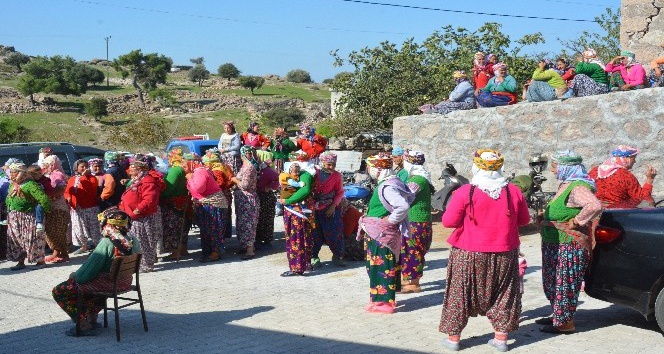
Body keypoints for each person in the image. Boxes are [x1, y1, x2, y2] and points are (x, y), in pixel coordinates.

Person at [439, 149, 530, 352]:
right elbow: (524, 220)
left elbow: (448, 221)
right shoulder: (513, 191)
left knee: (459, 294)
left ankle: (453, 340)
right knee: (504, 294)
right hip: (505, 252)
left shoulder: (465, 191)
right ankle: (501, 340)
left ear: (476, 167)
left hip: (468, 253)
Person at [537, 150, 602, 334]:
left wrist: (578, 221)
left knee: (564, 281)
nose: (552, 170)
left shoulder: (578, 187)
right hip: (555, 243)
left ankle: (565, 323)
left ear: (566, 167)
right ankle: (558, 315)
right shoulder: (566, 185)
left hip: (568, 244)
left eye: (555, 166)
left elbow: (595, 205)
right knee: (553, 281)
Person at [52, 207, 141, 336]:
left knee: (60, 290)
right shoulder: (132, 239)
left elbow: (84, 276)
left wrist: (74, 276)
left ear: (107, 224)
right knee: (92, 283)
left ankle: (83, 324)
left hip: (110, 283)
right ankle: (92, 317)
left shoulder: (107, 243)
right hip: (125, 281)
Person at [358, 162, 416, 314]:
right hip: (378, 232)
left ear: (378, 169)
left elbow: (402, 206)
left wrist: (390, 220)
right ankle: (378, 299)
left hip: (381, 233)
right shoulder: (390, 182)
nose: (369, 170)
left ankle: (384, 303)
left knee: (381, 266)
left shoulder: (388, 186)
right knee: (378, 265)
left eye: (370, 167)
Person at [118, 155, 162, 273]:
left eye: (133, 169)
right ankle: (142, 263)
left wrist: (137, 210)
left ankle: (147, 265)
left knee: (145, 242)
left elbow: (149, 200)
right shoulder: (138, 180)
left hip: (143, 217)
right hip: (136, 216)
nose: (130, 171)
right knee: (138, 241)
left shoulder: (148, 181)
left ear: (140, 170)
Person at [5, 162, 51, 270]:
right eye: (10, 172)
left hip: (28, 217)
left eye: (14, 172)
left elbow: (43, 199)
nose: (11, 174)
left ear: (21, 173)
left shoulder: (30, 184)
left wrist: (44, 213)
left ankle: (40, 261)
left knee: (32, 239)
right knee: (17, 240)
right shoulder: (13, 184)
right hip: (14, 217)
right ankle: (20, 261)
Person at [400, 150, 433, 293]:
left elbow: (405, 195)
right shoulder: (419, 178)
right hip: (418, 220)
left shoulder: (417, 180)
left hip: (415, 220)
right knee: (412, 250)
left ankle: (413, 283)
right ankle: (409, 279)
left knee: (412, 250)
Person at [187, 152, 228, 263]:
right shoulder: (196, 172)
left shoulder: (200, 172)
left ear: (192, 162)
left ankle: (215, 253)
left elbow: (199, 189)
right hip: (206, 204)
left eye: (185, 162)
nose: (183, 165)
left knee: (214, 229)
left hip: (213, 204)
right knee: (206, 230)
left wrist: (190, 179)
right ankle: (208, 252)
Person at [277, 162, 316, 276]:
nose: (296, 172)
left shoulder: (305, 175)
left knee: (296, 237)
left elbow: (305, 190)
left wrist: (287, 201)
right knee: (304, 237)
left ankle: (297, 267)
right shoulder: (303, 174)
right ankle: (305, 264)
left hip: (296, 211)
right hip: (299, 211)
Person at [588, 145, 657, 208]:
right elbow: (643, 198)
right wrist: (649, 179)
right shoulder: (625, 175)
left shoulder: (594, 171)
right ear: (626, 158)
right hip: (617, 214)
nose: (635, 161)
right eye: (634, 158)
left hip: (593, 211)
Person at [310, 152, 346, 268]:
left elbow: (340, 192)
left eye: (333, 165)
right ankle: (313, 256)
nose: (331, 167)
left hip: (330, 208)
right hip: (314, 208)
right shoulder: (315, 173)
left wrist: (333, 206)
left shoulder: (337, 176)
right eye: (329, 164)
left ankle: (337, 256)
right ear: (323, 162)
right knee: (315, 233)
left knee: (335, 232)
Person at [65, 159, 102, 254]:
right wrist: (68, 197)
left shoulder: (92, 178)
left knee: (94, 228)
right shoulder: (72, 179)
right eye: (82, 166)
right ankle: (84, 246)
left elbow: (90, 189)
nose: (84, 168)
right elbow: (67, 191)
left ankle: (98, 246)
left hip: (90, 207)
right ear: (76, 168)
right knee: (79, 229)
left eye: (86, 166)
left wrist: (83, 176)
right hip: (77, 208)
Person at [160, 148, 189, 261]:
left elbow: (169, 188)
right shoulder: (182, 168)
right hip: (183, 201)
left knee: (173, 227)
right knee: (183, 225)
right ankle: (183, 249)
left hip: (174, 203)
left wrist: (160, 195)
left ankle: (175, 252)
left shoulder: (175, 170)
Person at [40, 155, 71, 262]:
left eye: (47, 164)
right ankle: (56, 252)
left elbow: (61, 189)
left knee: (58, 231)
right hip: (50, 207)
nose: (45, 166)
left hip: (58, 208)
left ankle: (64, 254)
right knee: (50, 232)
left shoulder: (58, 175)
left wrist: (49, 195)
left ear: (53, 164)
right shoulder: (46, 174)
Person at [231, 145, 260, 260]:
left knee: (248, 224)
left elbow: (245, 185)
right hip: (242, 201)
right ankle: (245, 246)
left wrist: (234, 179)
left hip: (248, 201)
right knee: (242, 223)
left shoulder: (249, 167)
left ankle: (250, 250)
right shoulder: (245, 166)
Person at [255, 159, 279, 247]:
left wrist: (269, 187)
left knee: (267, 218)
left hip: (267, 197)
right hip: (258, 196)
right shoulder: (256, 170)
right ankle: (258, 239)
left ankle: (267, 240)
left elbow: (277, 179)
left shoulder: (267, 171)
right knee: (258, 219)